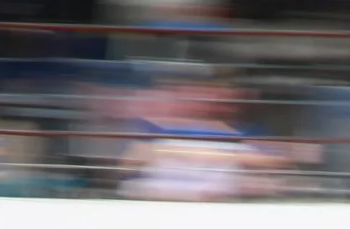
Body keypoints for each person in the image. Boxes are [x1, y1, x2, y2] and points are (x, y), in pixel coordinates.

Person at [118, 72, 296, 202]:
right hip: (162, 202)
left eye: (223, 98)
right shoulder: (156, 128)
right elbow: (127, 164)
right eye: (202, 95)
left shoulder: (245, 133)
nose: (213, 103)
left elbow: (275, 161)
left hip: (217, 204)